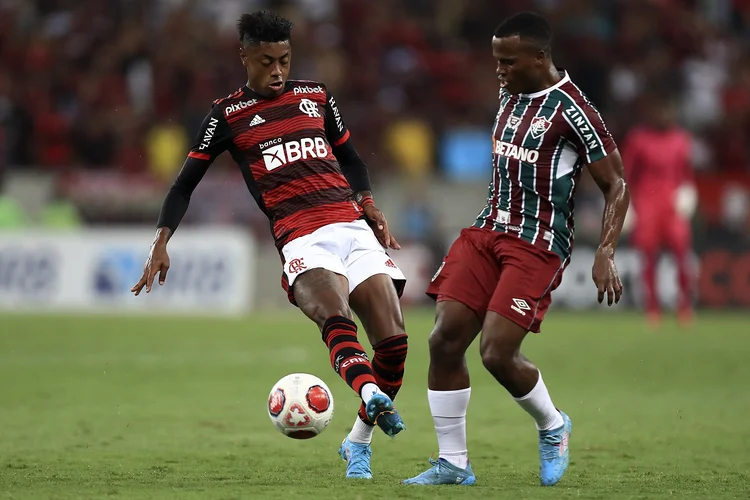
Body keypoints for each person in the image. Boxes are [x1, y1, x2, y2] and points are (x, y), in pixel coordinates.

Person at [130, 10, 408, 480]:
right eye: (266, 61)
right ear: (243, 56)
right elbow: (183, 186)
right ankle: (368, 395)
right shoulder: (227, 115)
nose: (277, 71)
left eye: (284, 59)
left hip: (352, 228)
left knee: (395, 345)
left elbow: (353, 160)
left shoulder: (315, 96)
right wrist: (161, 240)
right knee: (334, 316)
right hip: (301, 236)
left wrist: (368, 202)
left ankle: (358, 437)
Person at [403, 12, 629, 487]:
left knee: (496, 353)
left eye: (508, 61)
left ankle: (553, 425)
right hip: (486, 232)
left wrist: (605, 250)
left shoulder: (575, 111)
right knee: (443, 341)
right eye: (495, 61)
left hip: (537, 244)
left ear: (540, 58)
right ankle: (453, 463)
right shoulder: (510, 92)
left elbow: (616, 184)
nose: (499, 71)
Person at [621, 96, 696, 327]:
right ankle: (652, 308)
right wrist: (627, 205)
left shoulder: (681, 139)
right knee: (649, 258)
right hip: (646, 203)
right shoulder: (638, 139)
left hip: (672, 203)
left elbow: (686, 171)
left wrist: (688, 192)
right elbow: (626, 173)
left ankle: (684, 307)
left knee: (682, 255)